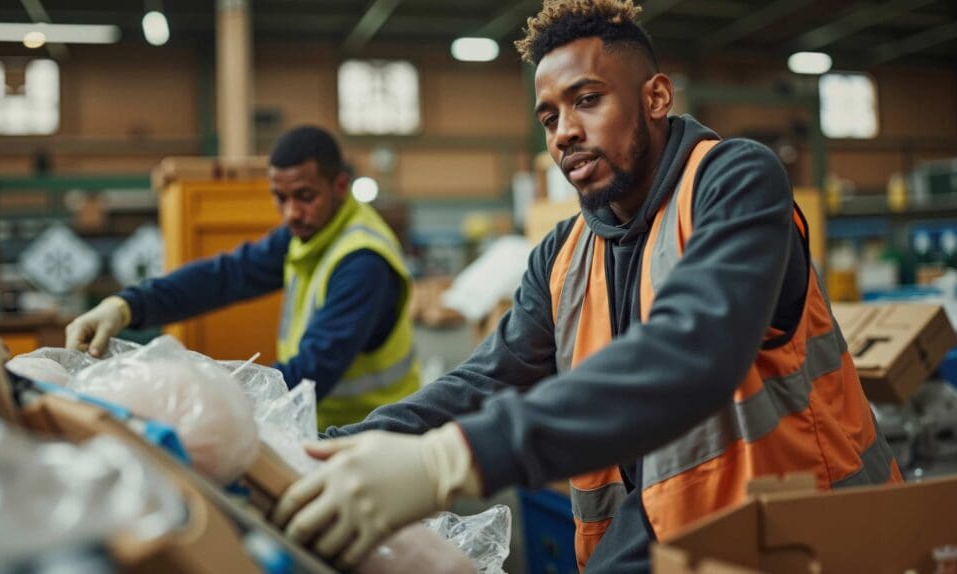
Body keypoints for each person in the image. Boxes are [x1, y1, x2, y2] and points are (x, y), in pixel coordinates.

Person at [271, 1, 903, 571]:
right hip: (678, 537)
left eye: (587, 100)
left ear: (656, 98)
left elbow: (694, 351)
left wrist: (447, 462)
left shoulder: (734, 181)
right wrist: (319, 450)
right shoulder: (564, 253)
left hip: (816, 540)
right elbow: (484, 380)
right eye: (548, 117)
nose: (563, 133)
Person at [65, 126, 420, 429]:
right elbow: (224, 277)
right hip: (320, 424)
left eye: (305, 196)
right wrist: (125, 306)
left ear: (340, 186)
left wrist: (198, 398)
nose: (291, 213)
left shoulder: (362, 262)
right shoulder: (307, 232)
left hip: (371, 433)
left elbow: (309, 375)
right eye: (280, 198)